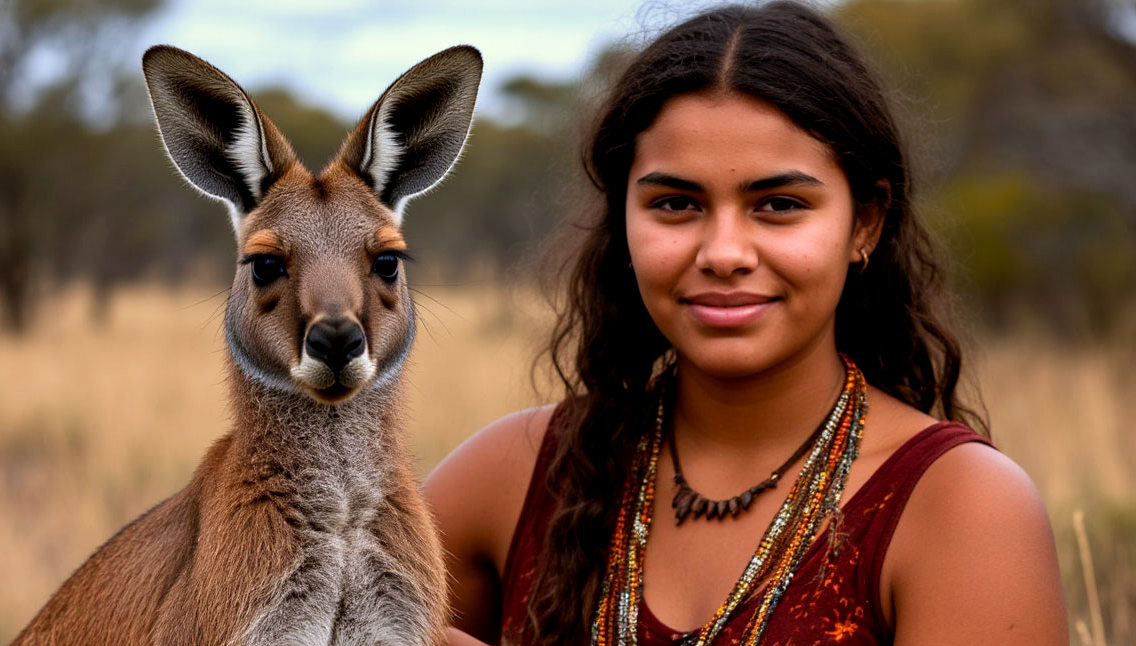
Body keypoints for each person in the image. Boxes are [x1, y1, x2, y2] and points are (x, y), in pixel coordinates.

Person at [426, 2, 1067, 644]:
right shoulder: (517, 474)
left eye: (779, 205)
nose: (724, 254)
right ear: (623, 217)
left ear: (864, 223)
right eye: (676, 203)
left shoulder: (959, 509)